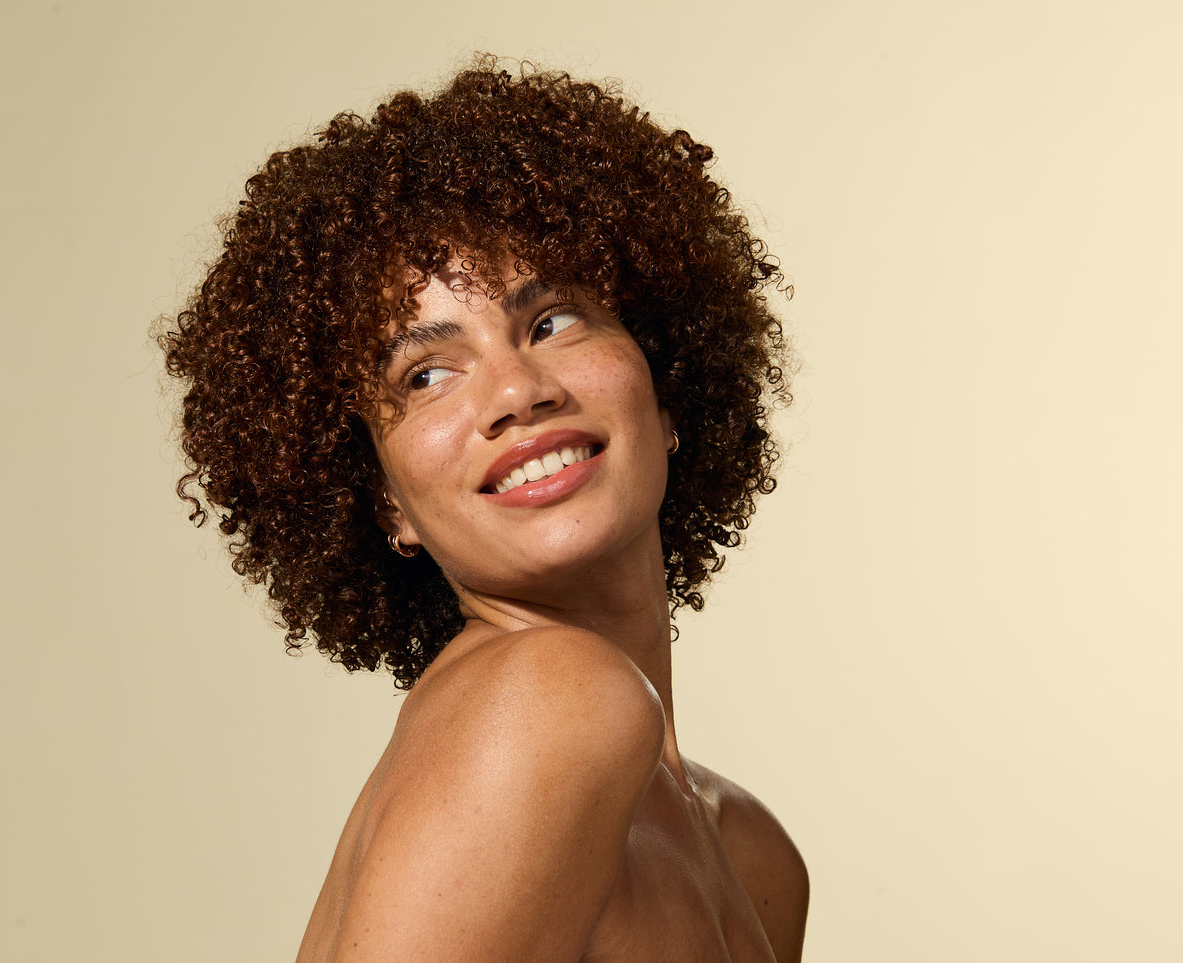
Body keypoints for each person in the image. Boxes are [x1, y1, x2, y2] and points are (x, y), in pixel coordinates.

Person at [160, 55, 807, 962]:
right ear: (385, 504)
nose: (515, 390)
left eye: (552, 322)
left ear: (665, 397)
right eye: (425, 374)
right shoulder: (552, 700)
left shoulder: (750, 850)